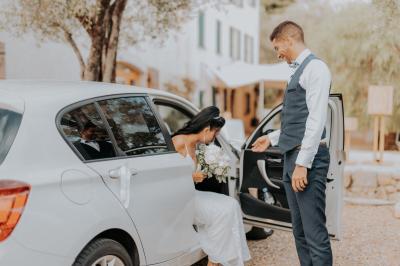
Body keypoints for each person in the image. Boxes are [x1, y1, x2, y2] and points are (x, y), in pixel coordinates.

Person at [252, 21, 332, 266]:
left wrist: (302, 164)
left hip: (305, 160)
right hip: (291, 157)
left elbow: (316, 121)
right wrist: (273, 137)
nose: (278, 54)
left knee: (314, 233)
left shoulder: (316, 68)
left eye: (278, 47)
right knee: (299, 232)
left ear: (289, 39)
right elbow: (299, 119)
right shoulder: (297, 71)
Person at [172, 106, 250, 266]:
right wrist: (192, 176)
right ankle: (215, 261)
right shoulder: (179, 142)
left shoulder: (197, 147)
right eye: (216, 133)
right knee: (222, 213)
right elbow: (165, 176)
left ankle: (217, 260)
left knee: (232, 205)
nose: (216, 136)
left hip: (191, 193)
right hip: (179, 198)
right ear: (207, 129)